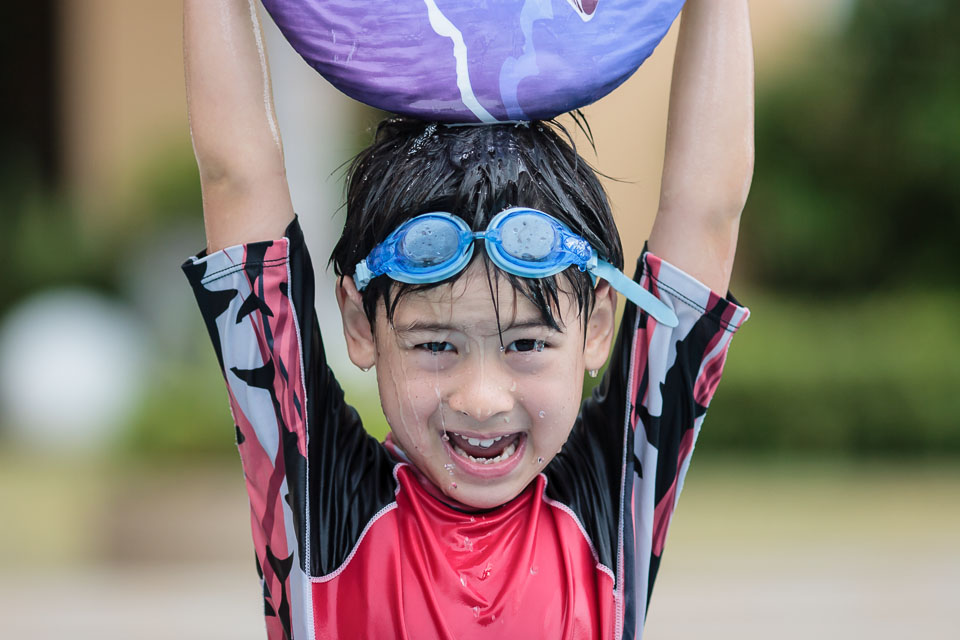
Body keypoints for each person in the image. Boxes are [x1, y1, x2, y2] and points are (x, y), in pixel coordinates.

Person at [181, 0, 754, 638]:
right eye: (436, 347)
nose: (482, 399)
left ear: (596, 325)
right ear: (361, 325)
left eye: (526, 344)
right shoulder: (316, 503)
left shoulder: (616, 499)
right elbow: (235, 178)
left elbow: (707, 211)